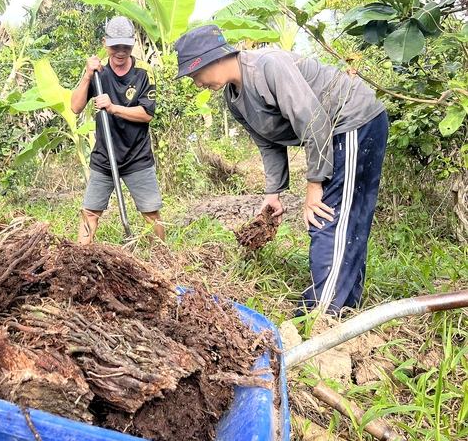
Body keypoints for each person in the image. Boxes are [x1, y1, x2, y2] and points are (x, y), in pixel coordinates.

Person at [174, 25, 388, 315]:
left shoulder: (267, 66)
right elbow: (268, 144)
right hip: (333, 130)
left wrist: (314, 186)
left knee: (326, 215)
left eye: (195, 74)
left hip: (351, 121)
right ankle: (345, 306)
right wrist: (272, 193)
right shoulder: (234, 97)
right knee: (345, 216)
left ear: (212, 58)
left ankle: (320, 313)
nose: (197, 83)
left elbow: (314, 122)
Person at [71, 16, 164, 245]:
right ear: (105, 43)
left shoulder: (144, 72)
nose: (120, 52)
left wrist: (113, 108)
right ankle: (78, 261)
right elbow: (75, 107)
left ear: (133, 43)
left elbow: (147, 114)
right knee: (90, 213)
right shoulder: (98, 72)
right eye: (115, 46)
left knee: (151, 214)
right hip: (105, 156)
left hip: (137, 156)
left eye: (126, 46)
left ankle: (162, 262)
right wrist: (87, 76)